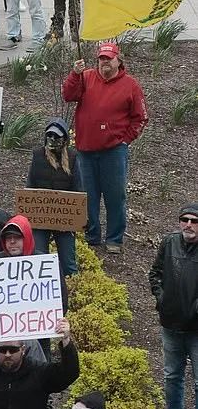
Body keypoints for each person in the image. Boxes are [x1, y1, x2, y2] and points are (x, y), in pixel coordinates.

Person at [61, 42, 148, 252]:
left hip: (114, 152)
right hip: (85, 150)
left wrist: (126, 139)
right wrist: (75, 73)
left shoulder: (131, 85)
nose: (105, 62)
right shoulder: (87, 77)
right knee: (88, 196)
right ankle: (92, 235)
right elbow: (68, 95)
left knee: (115, 196)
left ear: (119, 60)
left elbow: (141, 117)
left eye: (109, 58)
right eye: (102, 58)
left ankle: (114, 239)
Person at [149, 203, 198, 409]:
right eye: (184, 219)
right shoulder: (169, 243)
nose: (188, 224)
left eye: (194, 220)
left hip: (196, 328)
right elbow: (155, 273)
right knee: (172, 376)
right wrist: (162, 299)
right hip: (170, 324)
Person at [27, 118, 82, 276]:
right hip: (40, 217)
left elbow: (78, 189)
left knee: (68, 262)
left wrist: (77, 218)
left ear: (64, 139)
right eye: (49, 135)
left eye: (56, 136)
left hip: (64, 218)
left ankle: (71, 294)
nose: (52, 140)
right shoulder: (38, 155)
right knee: (38, 259)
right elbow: (30, 185)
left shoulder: (72, 157)